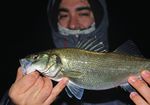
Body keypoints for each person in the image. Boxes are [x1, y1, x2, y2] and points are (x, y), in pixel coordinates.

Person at [0, 0, 150, 105]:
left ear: (99, 17)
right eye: (64, 15)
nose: (72, 24)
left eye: (83, 13)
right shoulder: (39, 84)